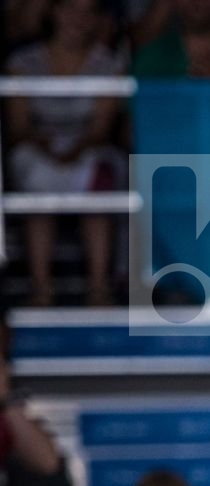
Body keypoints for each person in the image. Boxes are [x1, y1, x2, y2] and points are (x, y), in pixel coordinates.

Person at [3, 0, 124, 308]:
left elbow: (102, 127)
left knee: (102, 175)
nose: (78, 19)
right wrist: (48, 148)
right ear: (53, 12)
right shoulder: (22, 61)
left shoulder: (108, 63)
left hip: (88, 147)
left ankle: (99, 288)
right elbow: (18, 127)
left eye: (88, 11)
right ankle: (41, 289)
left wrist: (76, 149)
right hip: (37, 146)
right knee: (36, 175)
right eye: (71, 9)